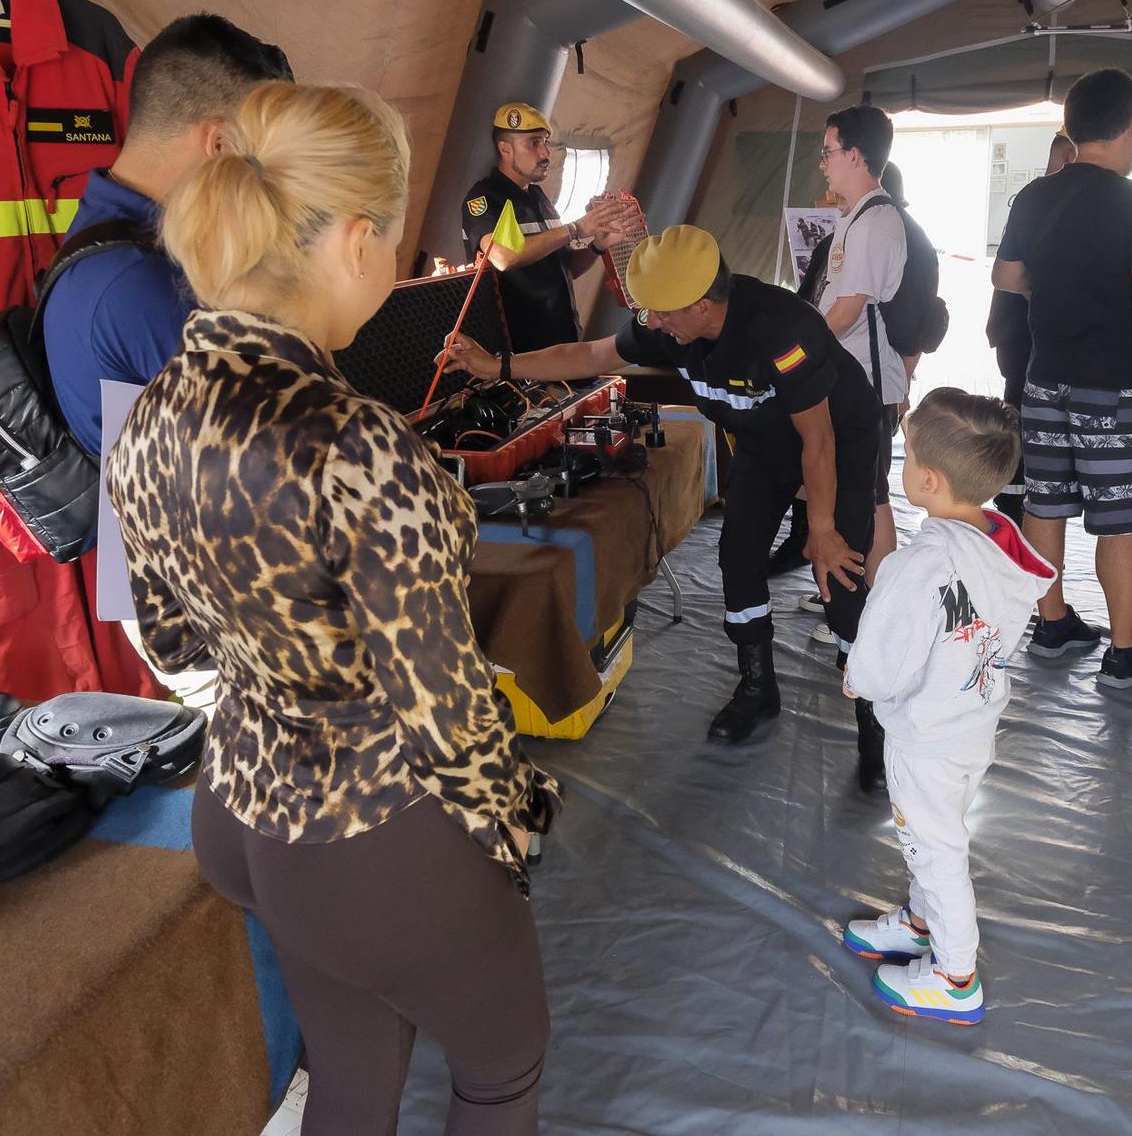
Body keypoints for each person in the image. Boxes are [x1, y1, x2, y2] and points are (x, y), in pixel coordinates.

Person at [105, 81, 561, 1135]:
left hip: (243, 808)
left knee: (353, 1077)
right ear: (355, 238)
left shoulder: (147, 414)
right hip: (371, 829)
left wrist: (278, 680)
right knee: (499, 1067)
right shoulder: (357, 442)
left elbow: (172, 643)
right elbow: (447, 718)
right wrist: (515, 821)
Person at [441, 225, 891, 790]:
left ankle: (876, 721)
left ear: (702, 304)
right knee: (738, 556)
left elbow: (818, 440)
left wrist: (820, 528)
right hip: (763, 441)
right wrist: (497, 367)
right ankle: (758, 688)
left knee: (841, 574)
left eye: (660, 312)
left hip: (838, 437)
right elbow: (590, 353)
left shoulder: (781, 327)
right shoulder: (668, 329)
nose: (650, 323)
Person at [41, 13, 292, 702]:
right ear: (217, 143)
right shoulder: (140, 284)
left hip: (170, 576)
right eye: (260, 159)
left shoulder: (125, 241)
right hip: (201, 607)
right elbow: (258, 457)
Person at [839, 388, 1055, 1024]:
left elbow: (884, 660)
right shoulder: (1001, 538)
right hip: (972, 719)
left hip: (925, 738)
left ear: (927, 480)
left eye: (905, 458)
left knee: (936, 850)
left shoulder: (919, 567)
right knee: (939, 833)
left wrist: (860, 678)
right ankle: (921, 921)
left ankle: (956, 977)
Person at [991, 68, 1132, 689]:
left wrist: (1057, 291)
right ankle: (1126, 653)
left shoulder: (1036, 195)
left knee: (1043, 504)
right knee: (1122, 517)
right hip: (1120, 388)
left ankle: (1051, 623)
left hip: (1044, 379)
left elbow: (1004, 278)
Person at [800, 106, 909, 648]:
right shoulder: (858, 215)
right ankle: (871, 601)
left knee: (862, 497)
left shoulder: (873, 222)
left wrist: (795, 355)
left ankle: (864, 613)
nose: (823, 163)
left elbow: (846, 311)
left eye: (828, 151)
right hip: (856, 377)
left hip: (863, 382)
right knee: (871, 494)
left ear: (856, 156)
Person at [460, 101, 646, 351]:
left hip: (563, 341)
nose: (546, 153)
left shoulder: (540, 199)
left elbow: (566, 268)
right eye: (534, 143)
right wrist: (577, 228)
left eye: (545, 142)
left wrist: (598, 246)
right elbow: (503, 257)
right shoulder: (486, 198)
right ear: (505, 149)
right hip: (520, 353)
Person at [986, 130, 1075, 524]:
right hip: (1023, 331)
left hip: (1029, 331)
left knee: (1025, 413)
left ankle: (1023, 497)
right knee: (1019, 413)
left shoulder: (1037, 199)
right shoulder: (1039, 200)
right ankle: (1015, 497)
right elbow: (1008, 275)